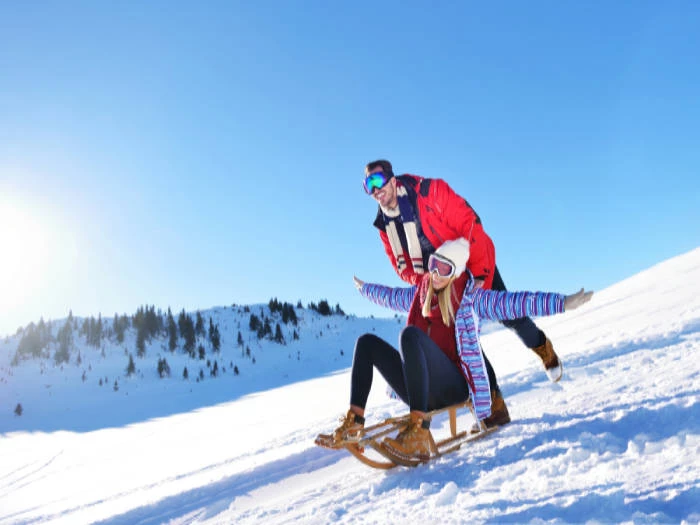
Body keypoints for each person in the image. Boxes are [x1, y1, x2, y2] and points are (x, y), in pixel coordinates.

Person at [316, 238, 593, 464]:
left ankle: (418, 431)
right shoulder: (422, 291)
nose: (436, 274)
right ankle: (355, 421)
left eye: (445, 269)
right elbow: (389, 295)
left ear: (457, 272)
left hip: (454, 386)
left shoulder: (471, 298)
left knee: (409, 336)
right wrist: (365, 289)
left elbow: (515, 303)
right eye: (434, 265)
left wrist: (562, 303)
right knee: (366, 342)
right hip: (421, 389)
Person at [363, 159, 565, 383]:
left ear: (392, 178)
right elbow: (401, 267)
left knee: (507, 314)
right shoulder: (385, 226)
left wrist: (479, 273)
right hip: (440, 277)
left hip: (470, 260)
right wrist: (425, 282)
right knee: (461, 339)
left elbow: (470, 224)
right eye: (367, 185)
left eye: (377, 180)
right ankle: (492, 402)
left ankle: (541, 346)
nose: (375, 190)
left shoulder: (430, 192)